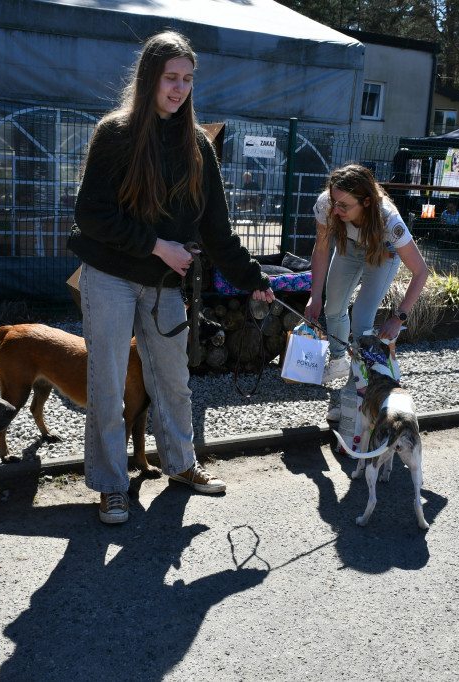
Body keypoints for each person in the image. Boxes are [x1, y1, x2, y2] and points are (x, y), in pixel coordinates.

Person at [67, 31, 274, 525]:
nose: (179, 89)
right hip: (111, 276)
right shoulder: (115, 133)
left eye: (187, 79)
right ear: (149, 78)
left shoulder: (198, 143)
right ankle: (112, 486)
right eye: (170, 78)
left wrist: (252, 277)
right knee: (109, 383)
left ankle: (181, 464)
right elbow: (89, 214)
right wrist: (157, 245)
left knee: (175, 381)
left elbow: (217, 230)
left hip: (164, 286)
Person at [303, 164, 428, 401]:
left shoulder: (390, 221)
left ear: (367, 202)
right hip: (348, 246)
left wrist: (399, 316)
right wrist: (315, 295)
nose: (336, 209)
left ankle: (357, 384)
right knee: (333, 307)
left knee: (362, 319)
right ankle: (339, 361)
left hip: (383, 251)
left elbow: (421, 271)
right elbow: (320, 249)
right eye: (334, 202)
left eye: (344, 205)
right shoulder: (327, 204)